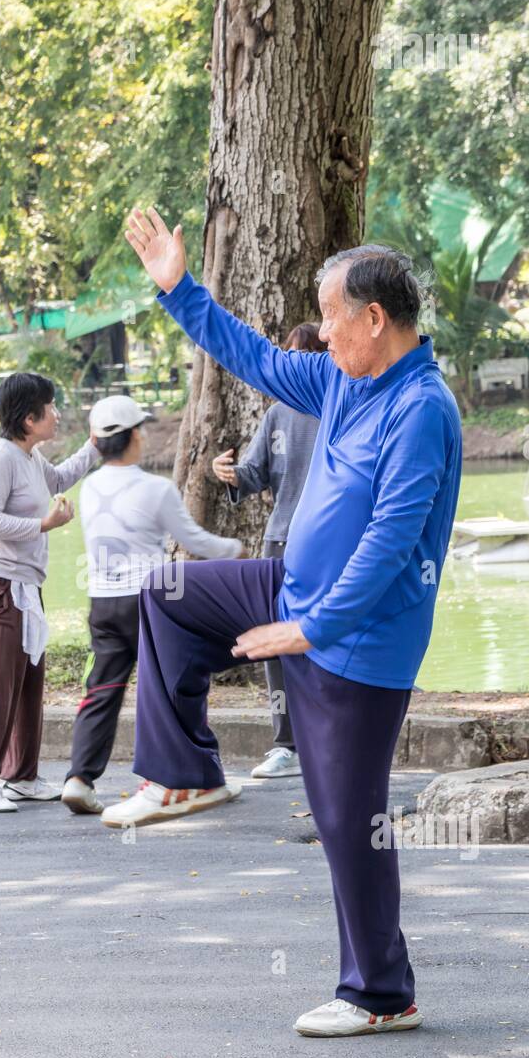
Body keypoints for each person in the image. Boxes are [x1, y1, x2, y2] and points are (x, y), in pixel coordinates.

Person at [106, 205, 462, 1040]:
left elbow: (390, 542)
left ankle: (382, 995)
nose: (324, 330)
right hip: (290, 591)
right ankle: (185, 770)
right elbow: (256, 356)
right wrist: (176, 288)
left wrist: (313, 629)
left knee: (349, 820)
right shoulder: (340, 378)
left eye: (333, 315)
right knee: (167, 593)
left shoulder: (423, 411)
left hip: (361, 638)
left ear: (375, 318)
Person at [62, 394, 244, 815]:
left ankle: (79, 777)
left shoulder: (89, 488)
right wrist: (235, 550)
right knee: (164, 689)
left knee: (103, 689)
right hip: (152, 602)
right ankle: (163, 777)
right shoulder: (155, 489)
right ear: (134, 438)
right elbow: (195, 541)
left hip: (103, 602)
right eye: (141, 430)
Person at [0, 371, 99, 813]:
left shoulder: (30, 457)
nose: (57, 414)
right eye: (51, 407)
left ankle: (21, 775)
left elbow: (57, 481)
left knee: (27, 680)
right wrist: (43, 525)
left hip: (26, 583)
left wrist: (94, 448)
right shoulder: (1, 459)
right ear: (28, 419)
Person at [212, 321, 322, 780]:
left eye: (301, 356)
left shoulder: (342, 410)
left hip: (325, 546)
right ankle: (286, 745)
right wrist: (229, 472)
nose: (291, 365)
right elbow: (254, 473)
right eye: (286, 356)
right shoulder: (277, 414)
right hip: (280, 541)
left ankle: (329, 740)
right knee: (276, 642)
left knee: (324, 637)